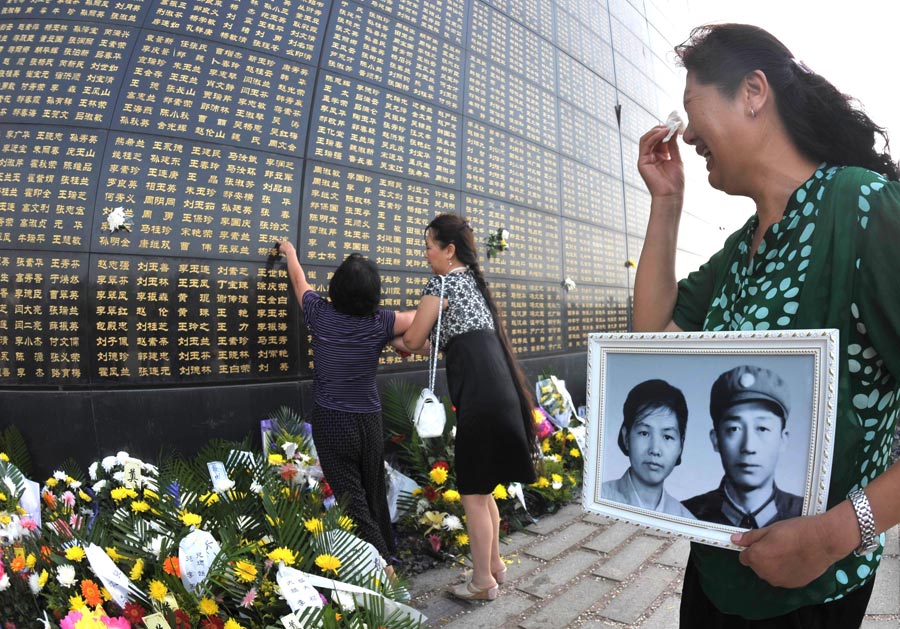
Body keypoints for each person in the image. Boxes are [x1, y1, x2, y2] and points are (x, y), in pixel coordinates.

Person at [634, 22, 900, 627]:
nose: (689, 132)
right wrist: (666, 203)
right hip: (715, 572)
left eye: (692, 107)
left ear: (753, 92)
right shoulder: (738, 253)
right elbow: (649, 339)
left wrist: (834, 534)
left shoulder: (863, 211)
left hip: (812, 593)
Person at [401, 213, 537, 602]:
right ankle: (494, 565)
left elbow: (413, 339)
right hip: (500, 393)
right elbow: (439, 342)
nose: (426, 254)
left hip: (480, 397)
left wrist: (392, 334)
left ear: (449, 250)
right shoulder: (474, 285)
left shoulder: (441, 283)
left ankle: (481, 584)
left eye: (429, 246)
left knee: (473, 493)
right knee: (484, 489)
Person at [277, 240, 417, 578]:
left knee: (350, 498)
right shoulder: (381, 322)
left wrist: (290, 253)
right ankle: (387, 549)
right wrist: (402, 342)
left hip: (333, 421)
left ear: (336, 288)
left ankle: (382, 566)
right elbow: (415, 318)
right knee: (372, 489)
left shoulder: (320, 314)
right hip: (368, 420)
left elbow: (299, 281)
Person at [684, 365, 802, 528]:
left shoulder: (805, 517)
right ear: (716, 439)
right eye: (734, 429)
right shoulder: (684, 516)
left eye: (762, 428)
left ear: (783, 440)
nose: (748, 447)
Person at [601, 379, 695, 518]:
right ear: (626, 437)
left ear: (680, 446)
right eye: (644, 433)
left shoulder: (687, 520)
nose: (655, 450)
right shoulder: (599, 498)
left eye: (668, 437)